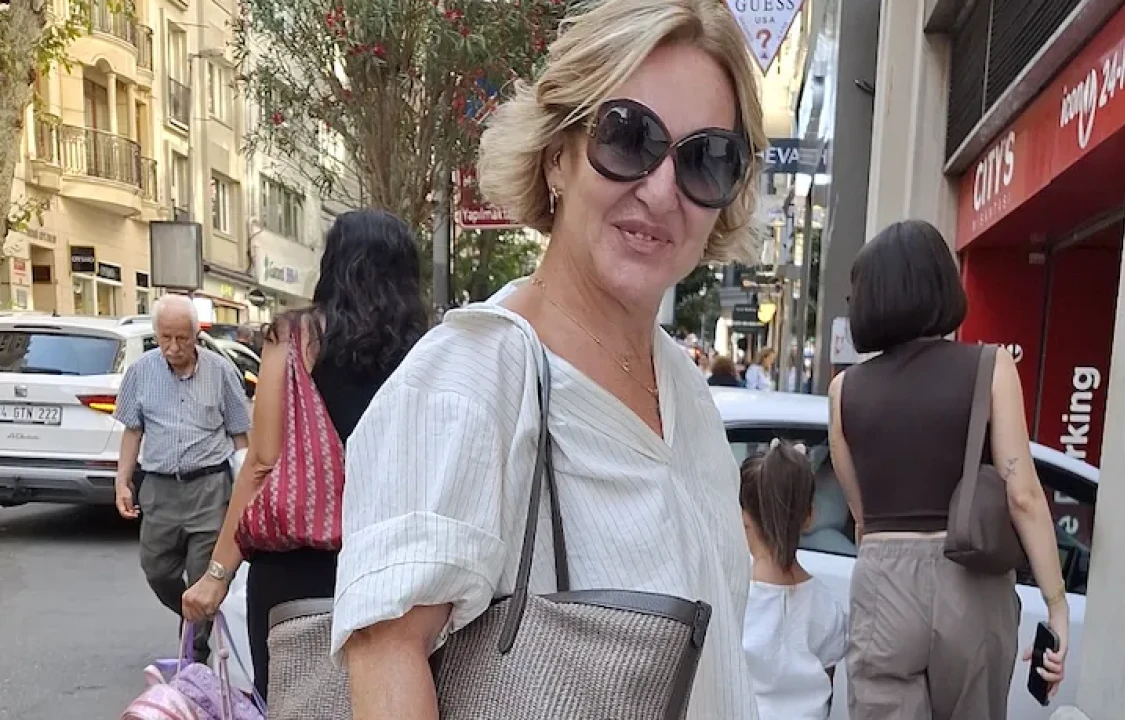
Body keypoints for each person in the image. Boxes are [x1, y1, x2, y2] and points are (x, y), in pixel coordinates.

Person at [331, 1, 765, 718]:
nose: (662, 192)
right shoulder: (471, 379)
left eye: (705, 159)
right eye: (628, 137)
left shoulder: (685, 389)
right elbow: (385, 657)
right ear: (558, 154)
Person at [179, 210, 429, 700]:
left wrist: (216, 575)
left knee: (291, 700)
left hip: (296, 566)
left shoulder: (293, 337)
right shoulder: (427, 347)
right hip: (392, 561)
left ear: (333, 264)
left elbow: (261, 463)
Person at [828, 219, 1068, 719]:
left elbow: (862, 516)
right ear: (942, 283)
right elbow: (1023, 495)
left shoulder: (843, 391)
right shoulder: (991, 367)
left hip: (882, 583)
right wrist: (1056, 604)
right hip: (970, 584)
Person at [113, 294, 253, 663]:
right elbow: (132, 430)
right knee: (156, 569)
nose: (173, 348)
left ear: (196, 335)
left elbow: (240, 434)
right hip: (159, 488)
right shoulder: (141, 372)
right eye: (165, 338)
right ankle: (195, 614)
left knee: (205, 573)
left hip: (210, 488)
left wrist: (246, 490)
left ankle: (196, 653)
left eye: (182, 338)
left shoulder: (221, 372)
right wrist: (122, 481)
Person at [740, 440, 848, 720]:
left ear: (743, 518)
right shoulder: (826, 605)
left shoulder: (732, 599)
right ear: (809, 516)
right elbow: (829, 683)